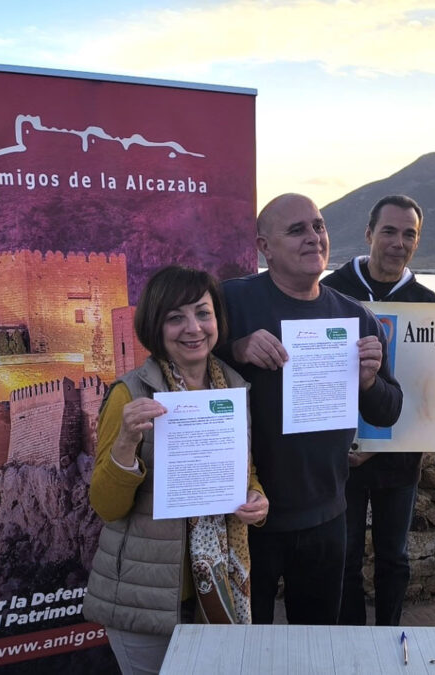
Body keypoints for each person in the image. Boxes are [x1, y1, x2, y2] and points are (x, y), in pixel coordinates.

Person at [218, 193, 403, 625]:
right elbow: (181, 365)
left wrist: (369, 382)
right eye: (297, 230)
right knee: (245, 644)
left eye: (318, 226)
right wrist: (235, 348)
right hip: (245, 515)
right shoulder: (231, 302)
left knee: (316, 644)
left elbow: (388, 411)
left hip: (326, 517)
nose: (313, 237)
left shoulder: (355, 318)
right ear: (264, 247)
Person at [85, 265, 269, 675]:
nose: (193, 328)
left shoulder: (233, 387)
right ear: (155, 325)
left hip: (216, 592)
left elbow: (244, 468)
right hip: (145, 597)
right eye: (176, 317)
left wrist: (256, 497)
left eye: (203, 313)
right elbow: (106, 506)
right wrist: (127, 442)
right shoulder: (130, 394)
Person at [323, 194, 435, 626]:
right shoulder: (331, 290)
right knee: (346, 558)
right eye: (389, 231)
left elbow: (427, 388)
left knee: (394, 557)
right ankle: (354, 643)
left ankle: (389, 637)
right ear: (369, 233)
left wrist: (382, 443)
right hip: (340, 456)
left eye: (409, 234)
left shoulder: (428, 303)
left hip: (399, 456)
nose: (398, 242)